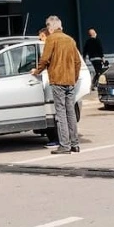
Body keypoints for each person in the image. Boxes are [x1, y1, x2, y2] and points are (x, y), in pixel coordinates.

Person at [31, 15, 81, 155]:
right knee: (70, 112)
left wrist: (37, 71)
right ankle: (75, 144)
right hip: (70, 81)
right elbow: (77, 62)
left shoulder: (51, 39)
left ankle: (64, 145)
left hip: (58, 80)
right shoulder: (70, 40)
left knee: (60, 113)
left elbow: (45, 59)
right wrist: (74, 78)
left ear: (50, 28)